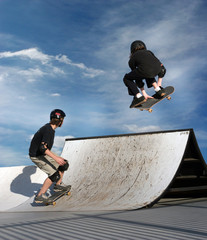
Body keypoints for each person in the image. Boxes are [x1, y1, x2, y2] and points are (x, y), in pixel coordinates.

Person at [29, 109, 70, 203]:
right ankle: (40, 195)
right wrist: (56, 158)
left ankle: (58, 185)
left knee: (64, 164)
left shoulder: (49, 128)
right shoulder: (48, 130)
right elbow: (42, 148)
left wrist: (58, 159)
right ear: (61, 121)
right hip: (36, 155)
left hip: (42, 153)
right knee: (54, 175)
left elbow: (44, 148)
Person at [123, 40, 166, 108]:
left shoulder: (131, 60)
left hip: (145, 71)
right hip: (158, 69)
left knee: (127, 78)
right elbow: (161, 67)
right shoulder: (149, 52)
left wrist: (143, 93)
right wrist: (159, 84)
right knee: (147, 71)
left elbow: (137, 79)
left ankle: (138, 96)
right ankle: (158, 89)